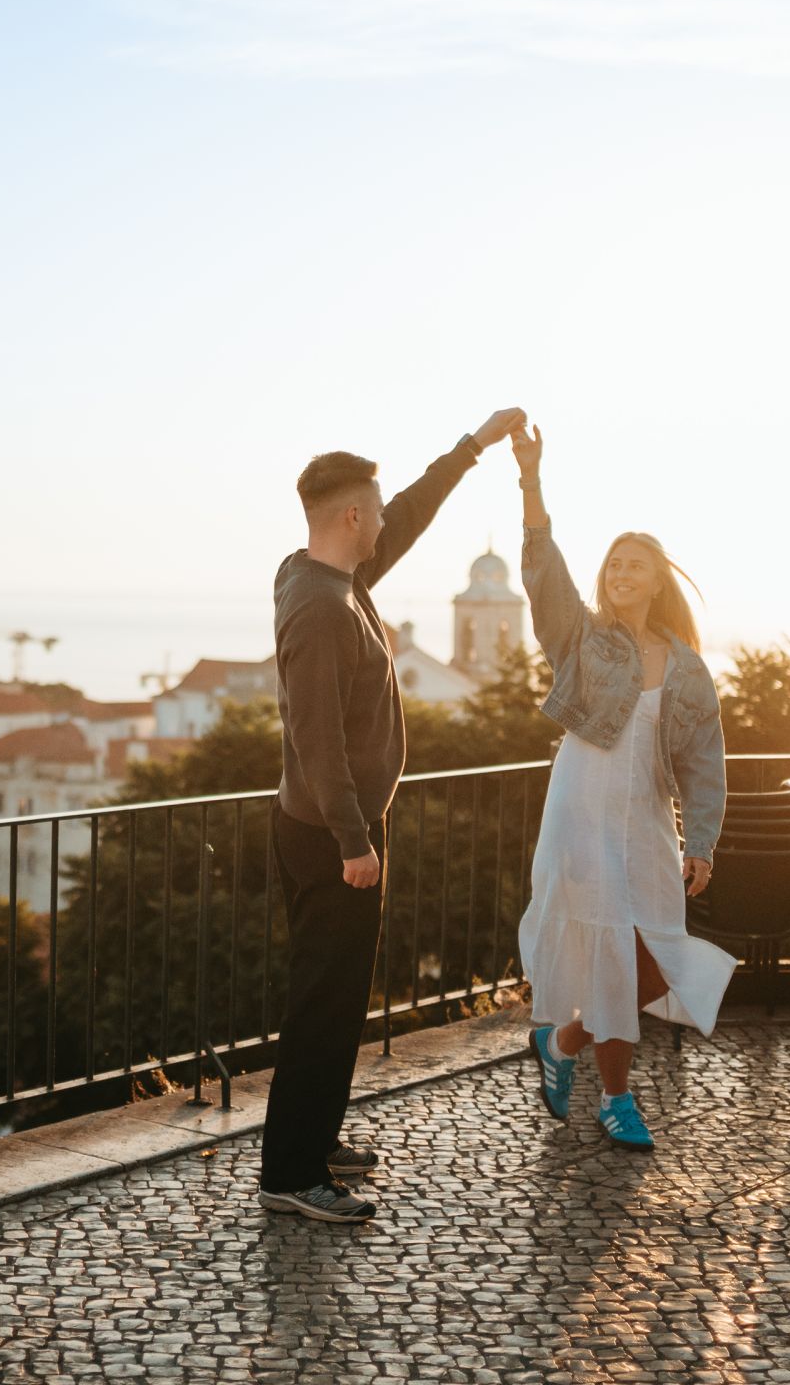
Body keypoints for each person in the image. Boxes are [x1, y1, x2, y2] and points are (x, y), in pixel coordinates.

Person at [257, 407, 526, 1223]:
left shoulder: (324, 576)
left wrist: (472, 449)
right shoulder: (321, 609)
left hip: (332, 829)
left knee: (340, 1001)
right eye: (371, 510)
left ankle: (318, 1138)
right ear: (348, 517)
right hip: (326, 836)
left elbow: (407, 513)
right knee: (321, 1005)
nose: (383, 522)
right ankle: (290, 1175)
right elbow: (316, 738)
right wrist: (352, 838)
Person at [511, 422, 734, 1150]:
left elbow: (705, 759)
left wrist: (700, 839)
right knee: (610, 942)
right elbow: (545, 571)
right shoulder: (583, 637)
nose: (619, 573)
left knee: (655, 951)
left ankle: (564, 1043)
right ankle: (617, 1100)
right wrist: (532, 480)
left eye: (633, 564)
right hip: (579, 807)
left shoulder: (687, 666)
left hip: (644, 816)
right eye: (612, 564)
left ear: (658, 578)